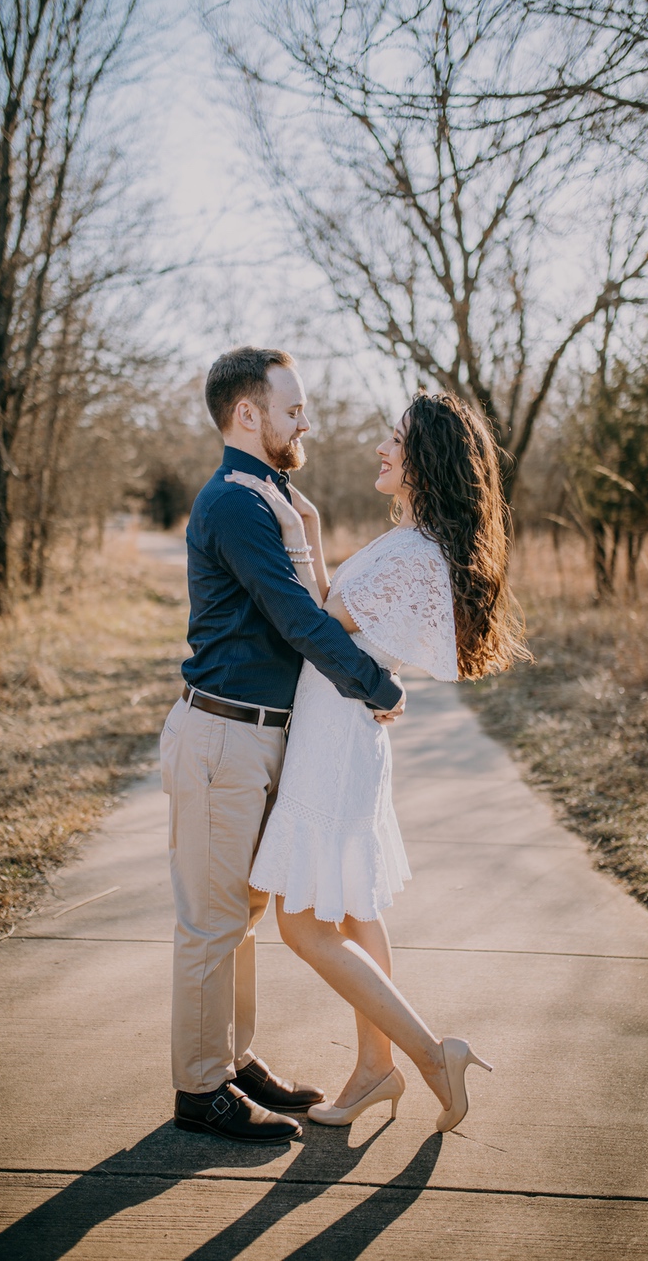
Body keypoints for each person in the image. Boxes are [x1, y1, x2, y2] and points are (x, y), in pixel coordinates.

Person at [228, 391, 530, 1132]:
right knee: (357, 908)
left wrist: (286, 538)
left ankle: (429, 1054)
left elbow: (312, 624)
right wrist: (312, 527)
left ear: (425, 459)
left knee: (302, 927)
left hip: (334, 744)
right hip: (347, 736)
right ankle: (374, 1070)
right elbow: (337, 613)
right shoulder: (418, 545)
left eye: (394, 440)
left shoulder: (414, 555)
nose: (381, 449)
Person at [160, 346, 406, 1146]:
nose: (306, 421)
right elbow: (295, 619)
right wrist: (375, 683)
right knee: (211, 921)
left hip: (262, 740)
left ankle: (234, 1062)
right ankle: (200, 1090)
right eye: (292, 407)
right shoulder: (234, 502)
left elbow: (316, 603)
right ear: (247, 415)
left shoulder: (276, 494)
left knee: (245, 916)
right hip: (221, 737)